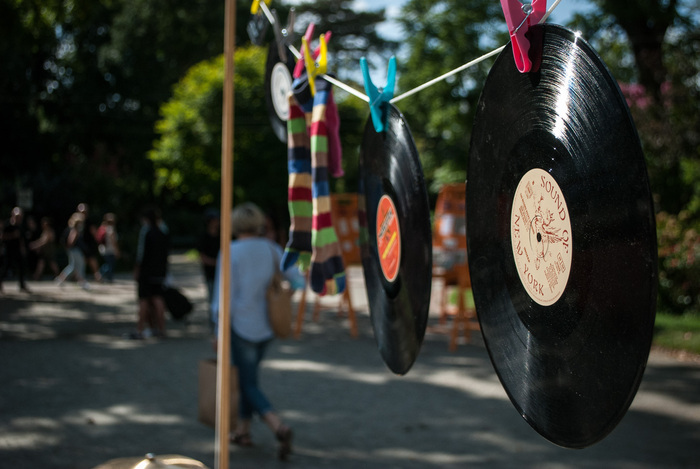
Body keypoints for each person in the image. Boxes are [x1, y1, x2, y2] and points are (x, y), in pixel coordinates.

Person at [211, 202, 299, 460]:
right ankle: (243, 431)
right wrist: (284, 294)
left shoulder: (231, 252)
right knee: (250, 379)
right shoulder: (271, 248)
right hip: (267, 326)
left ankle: (278, 426)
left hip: (241, 326)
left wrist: (218, 330)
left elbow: (222, 297)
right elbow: (297, 278)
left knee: (246, 383)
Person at [132, 206, 170, 339]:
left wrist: (137, 270)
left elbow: (141, 254)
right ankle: (161, 329)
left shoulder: (146, 232)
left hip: (146, 272)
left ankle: (140, 330)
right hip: (159, 272)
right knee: (158, 299)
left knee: (144, 300)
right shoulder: (163, 232)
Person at [55, 212, 90, 290]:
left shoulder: (71, 228)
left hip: (73, 250)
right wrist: (71, 246)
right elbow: (70, 241)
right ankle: (82, 282)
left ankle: (61, 279)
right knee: (80, 266)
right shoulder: (75, 229)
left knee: (72, 266)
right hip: (75, 250)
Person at [197, 209, 220, 329]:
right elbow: (202, 256)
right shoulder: (204, 236)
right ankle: (214, 324)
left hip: (222, 273)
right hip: (210, 273)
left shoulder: (223, 235)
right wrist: (217, 263)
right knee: (212, 298)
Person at [0, 207, 31, 293]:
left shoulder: (20, 226)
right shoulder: (7, 225)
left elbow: (21, 239)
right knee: (5, 268)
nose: (19, 218)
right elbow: (2, 237)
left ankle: (22, 285)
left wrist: (23, 248)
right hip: (8, 249)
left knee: (21, 267)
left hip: (17, 250)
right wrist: (12, 235)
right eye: (18, 216)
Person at [76, 203, 102, 282]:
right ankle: (79, 277)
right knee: (82, 261)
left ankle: (97, 276)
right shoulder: (78, 221)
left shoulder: (89, 221)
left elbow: (94, 232)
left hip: (89, 244)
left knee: (92, 260)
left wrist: (98, 242)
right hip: (81, 245)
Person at [98, 213, 120, 283]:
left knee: (108, 264)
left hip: (104, 249)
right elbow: (113, 241)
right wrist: (117, 250)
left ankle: (100, 275)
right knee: (110, 265)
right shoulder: (111, 229)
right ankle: (107, 277)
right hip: (110, 250)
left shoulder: (104, 227)